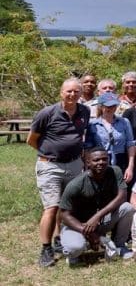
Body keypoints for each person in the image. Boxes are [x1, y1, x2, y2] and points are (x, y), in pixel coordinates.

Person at [28, 78, 93, 267]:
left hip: (74, 165)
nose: (72, 94)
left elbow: (81, 135)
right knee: (52, 207)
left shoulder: (85, 111)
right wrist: (50, 153)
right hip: (50, 166)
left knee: (67, 206)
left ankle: (59, 238)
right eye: (69, 91)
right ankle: (46, 248)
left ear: (81, 94)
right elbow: (31, 139)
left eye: (76, 91)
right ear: (61, 92)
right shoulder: (47, 113)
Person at [58, 148, 135, 265]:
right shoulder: (76, 184)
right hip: (77, 225)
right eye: (96, 160)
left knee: (127, 208)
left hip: (100, 221)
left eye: (104, 159)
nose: (101, 162)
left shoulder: (115, 172)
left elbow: (122, 196)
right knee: (75, 247)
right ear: (88, 163)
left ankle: (119, 245)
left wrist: (97, 216)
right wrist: (91, 234)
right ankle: (75, 252)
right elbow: (64, 215)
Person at [89, 92, 136, 183]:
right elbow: (88, 147)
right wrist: (89, 167)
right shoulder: (93, 124)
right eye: (108, 106)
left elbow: (130, 144)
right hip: (100, 162)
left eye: (114, 106)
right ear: (101, 106)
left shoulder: (124, 122)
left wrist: (130, 167)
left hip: (121, 160)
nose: (111, 108)